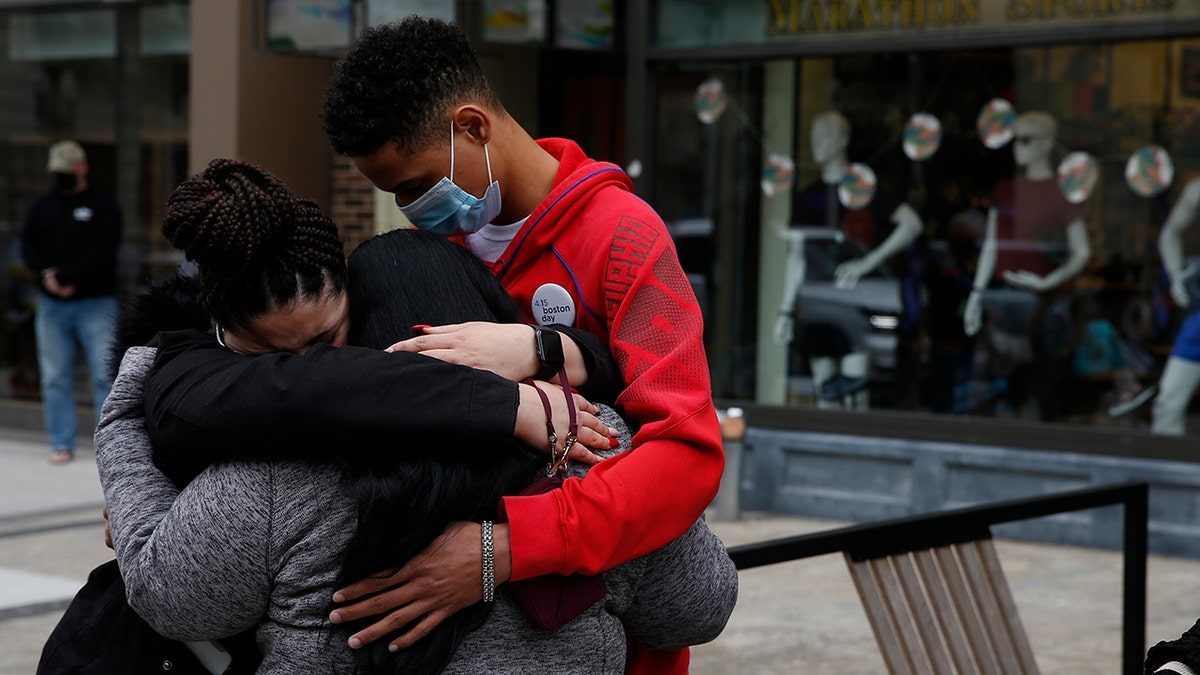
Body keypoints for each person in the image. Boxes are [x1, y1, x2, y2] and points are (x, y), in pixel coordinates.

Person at [98, 211, 737, 672]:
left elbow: (171, 599)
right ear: (495, 319)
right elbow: (699, 608)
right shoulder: (586, 440)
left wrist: (133, 462)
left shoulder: (273, 470)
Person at [320, 17, 724, 671]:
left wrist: (503, 550)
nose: (411, 207)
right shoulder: (422, 255)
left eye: (417, 186)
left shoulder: (625, 237)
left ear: (473, 126)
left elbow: (687, 452)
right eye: (394, 195)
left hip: (608, 643)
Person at [772, 111, 923, 409]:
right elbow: (798, 255)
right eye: (813, 137)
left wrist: (868, 263)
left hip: (855, 299)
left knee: (855, 392)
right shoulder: (807, 196)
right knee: (824, 390)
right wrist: (786, 310)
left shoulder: (861, 188)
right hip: (818, 300)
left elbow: (911, 224)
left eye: (825, 136)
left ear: (842, 140)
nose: (816, 144)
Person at [20, 139, 121, 464]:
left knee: (106, 375)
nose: (61, 176)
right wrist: (48, 276)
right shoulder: (42, 207)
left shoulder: (103, 205)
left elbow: (105, 252)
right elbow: (29, 247)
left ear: (82, 167)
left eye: (66, 170)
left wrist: (67, 277)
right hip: (52, 305)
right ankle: (61, 442)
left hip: (96, 302)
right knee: (54, 376)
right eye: (57, 171)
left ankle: (110, 447)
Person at [1150, 176, 1200, 433]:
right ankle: (1167, 472)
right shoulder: (1196, 191)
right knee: (1168, 401)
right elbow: (1170, 233)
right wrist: (1175, 275)